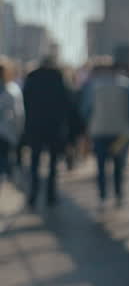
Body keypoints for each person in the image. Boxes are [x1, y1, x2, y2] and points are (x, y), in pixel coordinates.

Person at [79, 51, 129, 207]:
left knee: (101, 166)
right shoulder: (127, 85)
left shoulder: (92, 86)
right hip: (121, 132)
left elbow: (86, 109)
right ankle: (118, 194)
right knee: (118, 164)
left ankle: (102, 196)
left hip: (99, 131)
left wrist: (89, 125)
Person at [21, 52, 75, 208]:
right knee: (52, 162)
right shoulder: (59, 78)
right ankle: (51, 193)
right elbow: (67, 102)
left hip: (35, 125)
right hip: (54, 126)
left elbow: (25, 101)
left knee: (34, 161)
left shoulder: (31, 78)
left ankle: (33, 193)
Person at [0, 58, 24, 189]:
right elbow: (19, 114)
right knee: (4, 161)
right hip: (6, 132)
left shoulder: (12, 90)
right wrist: (18, 132)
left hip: (5, 131)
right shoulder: (13, 90)